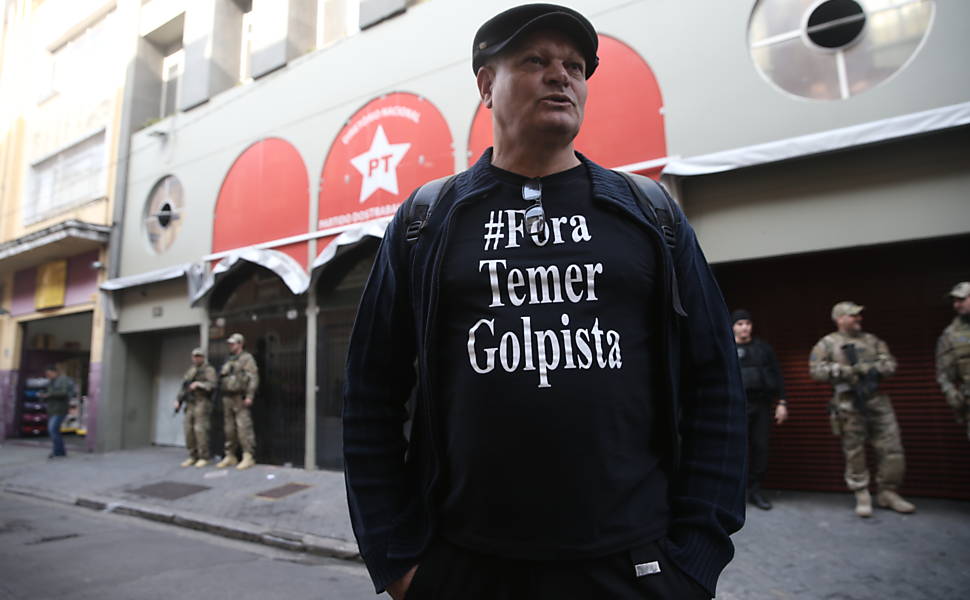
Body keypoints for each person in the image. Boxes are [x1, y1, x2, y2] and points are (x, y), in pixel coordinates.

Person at [343, 5, 746, 599]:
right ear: (485, 84)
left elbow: (716, 381)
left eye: (576, 66)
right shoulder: (428, 220)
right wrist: (399, 559)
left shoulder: (649, 213)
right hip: (466, 567)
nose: (562, 76)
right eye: (536, 61)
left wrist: (695, 559)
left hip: (633, 567)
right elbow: (370, 389)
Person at [809, 301, 915, 517]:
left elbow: (890, 365)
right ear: (839, 318)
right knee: (854, 449)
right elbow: (815, 371)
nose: (858, 319)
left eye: (858, 316)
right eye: (853, 315)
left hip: (876, 400)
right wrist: (843, 371)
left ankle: (888, 491)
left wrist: (868, 369)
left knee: (891, 447)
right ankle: (862, 493)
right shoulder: (827, 343)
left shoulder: (872, 341)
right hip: (848, 402)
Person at [732, 309, 788, 510]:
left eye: (747, 323)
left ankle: (755, 490)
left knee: (760, 447)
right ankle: (737, 493)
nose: (744, 327)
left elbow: (777, 375)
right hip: (737, 406)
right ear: (733, 327)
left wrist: (782, 402)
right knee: (737, 450)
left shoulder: (763, 349)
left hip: (762, 405)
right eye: (739, 324)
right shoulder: (726, 349)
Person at [216, 333, 259, 470]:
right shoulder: (228, 360)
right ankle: (230, 455)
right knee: (229, 428)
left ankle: (248, 456)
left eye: (233, 343)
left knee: (243, 427)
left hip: (239, 397)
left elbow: (253, 378)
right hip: (227, 397)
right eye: (229, 344)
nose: (230, 346)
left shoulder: (247, 358)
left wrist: (250, 396)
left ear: (240, 344)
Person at [936, 281, 970, 440]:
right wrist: (952, 395)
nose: (956, 305)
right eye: (954, 301)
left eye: (961, 300)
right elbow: (943, 373)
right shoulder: (950, 335)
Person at [175, 348, 217, 467]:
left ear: (203, 357)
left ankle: (204, 456)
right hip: (190, 403)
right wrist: (178, 400)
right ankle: (193, 455)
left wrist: (200, 385)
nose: (196, 358)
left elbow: (213, 385)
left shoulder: (208, 370)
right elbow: (184, 387)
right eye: (195, 356)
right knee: (188, 429)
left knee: (200, 430)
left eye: (199, 356)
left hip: (201, 402)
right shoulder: (191, 370)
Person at [39, 365, 74, 459]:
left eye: (49, 374)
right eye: (46, 374)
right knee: (54, 430)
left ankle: (58, 451)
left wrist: (49, 395)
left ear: (55, 372)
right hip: (52, 409)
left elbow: (64, 393)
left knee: (53, 430)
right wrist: (44, 396)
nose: (48, 376)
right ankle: (60, 451)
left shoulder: (63, 380)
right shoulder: (51, 382)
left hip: (60, 409)